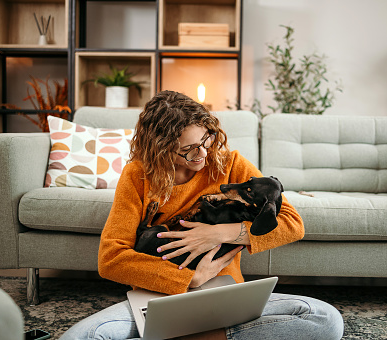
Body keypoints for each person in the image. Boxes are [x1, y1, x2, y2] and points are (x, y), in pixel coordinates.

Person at [60, 90, 344, 340]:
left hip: (225, 299)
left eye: (206, 140)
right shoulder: (138, 175)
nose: (202, 154)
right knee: (82, 336)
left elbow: (292, 224)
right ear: (159, 147)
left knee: (325, 319)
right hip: (159, 300)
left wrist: (219, 233)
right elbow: (110, 259)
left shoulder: (229, 163)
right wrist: (189, 280)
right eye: (188, 149)